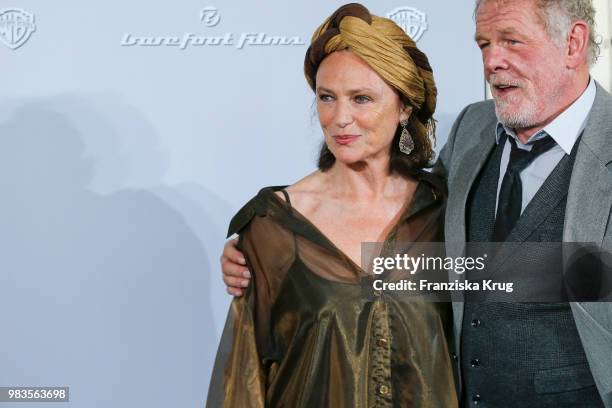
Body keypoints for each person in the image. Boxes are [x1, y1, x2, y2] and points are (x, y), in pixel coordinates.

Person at [221, 0, 612, 406]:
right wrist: (269, 253)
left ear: (573, 42)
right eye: (483, 44)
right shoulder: (471, 132)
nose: (493, 60)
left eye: (511, 41)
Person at [208, 3, 458, 407]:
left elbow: (537, 289)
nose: (340, 118)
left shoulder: (446, 211)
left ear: (405, 107)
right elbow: (243, 379)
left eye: (361, 99)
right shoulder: (273, 224)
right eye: (327, 97)